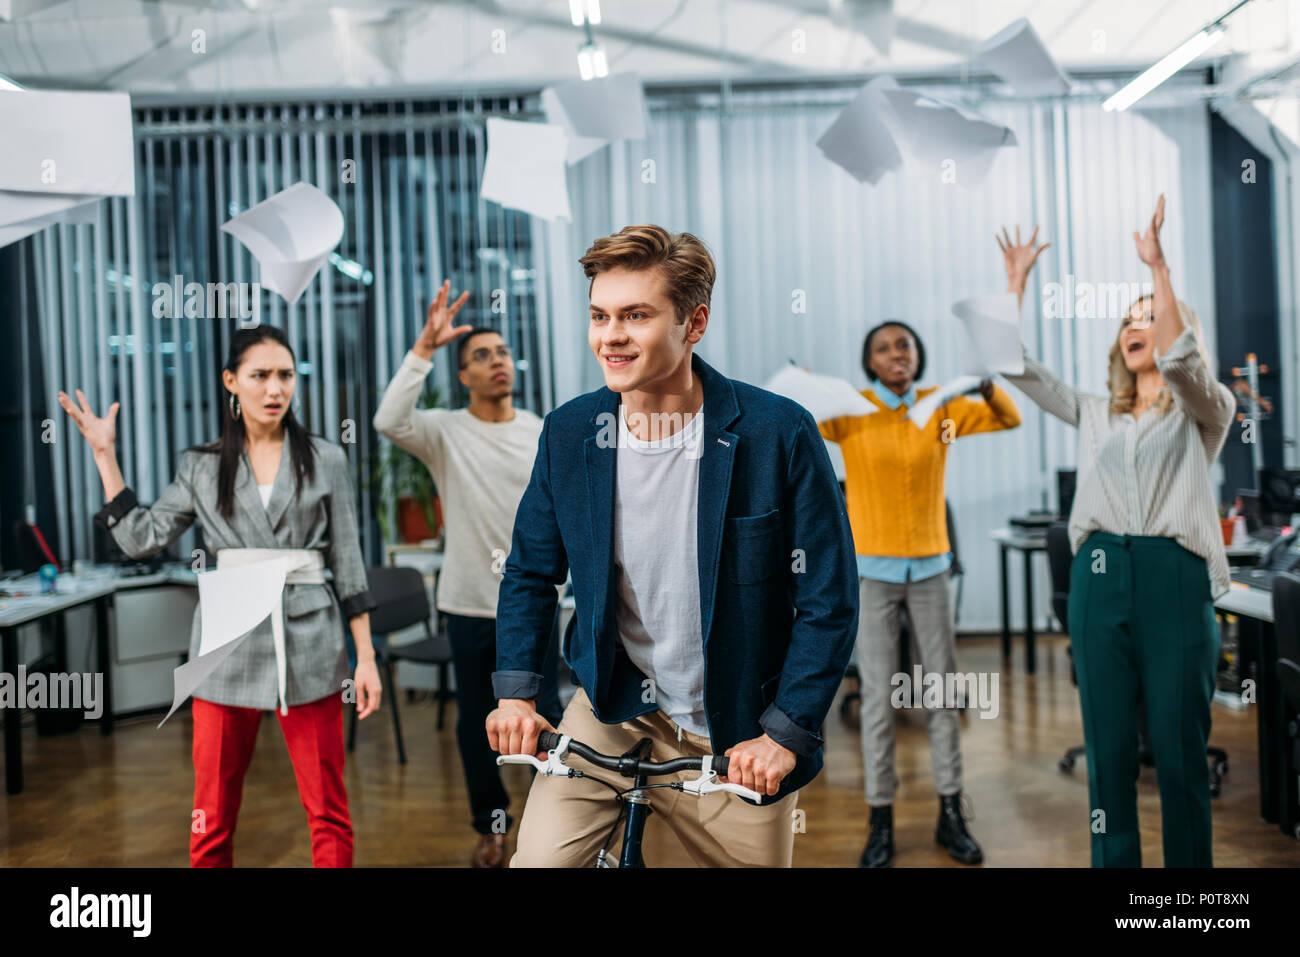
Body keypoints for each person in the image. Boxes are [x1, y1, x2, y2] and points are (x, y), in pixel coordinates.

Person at [486, 224, 859, 867]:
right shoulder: (572, 431)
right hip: (611, 709)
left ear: (694, 323)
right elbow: (529, 571)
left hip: (735, 726)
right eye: (601, 315)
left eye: (636, 315)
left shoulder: (778, 433)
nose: (612, 335)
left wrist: (786, 733)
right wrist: (517, 692)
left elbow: (828, 601)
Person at [59, 324, 382, 867]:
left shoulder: (326, 458)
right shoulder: (202, 465)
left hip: (309, 637)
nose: (275, 388)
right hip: (226, 641)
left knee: (327, 808)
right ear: (231, 381)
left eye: (286, 375)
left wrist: (366, 657)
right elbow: (140, 537)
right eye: (260, 376)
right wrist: (104, 456)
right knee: (211, 811)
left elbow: (348, 563)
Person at [1001, 198, 1234, 867]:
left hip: (1175, 578)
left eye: (1149, 319)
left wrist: (1157, 267)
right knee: (1107, 752)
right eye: (1128, 321)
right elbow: (1017, 367)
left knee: (1181, 748)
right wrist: (1015, 287)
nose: (1137, 327)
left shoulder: (1206, 410)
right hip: (1098, 581)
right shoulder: (1094, 410)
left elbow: (1187, 360)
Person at [817, 301, 1024, 867]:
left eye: (904, 346)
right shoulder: (852, 412)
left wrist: (983, 383)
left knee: (940, 695)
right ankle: (879, 817)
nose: (896, 355)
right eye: (884, 348)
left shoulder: (940, 409)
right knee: (880, 700)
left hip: (931, 568)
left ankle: (951, 813)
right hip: (873, 574)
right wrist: (809, 391)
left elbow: (1008, 417)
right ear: (870, 361)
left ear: (917, 356)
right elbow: (803, 429)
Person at [373, 280, 562, 868]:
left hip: (532, 607)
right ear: (463, 376)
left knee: (543, 720)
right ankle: (493, 827)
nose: (497, 362)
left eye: (502, 352)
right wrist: (424, 348)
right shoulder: (444, 432)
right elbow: (386, 419)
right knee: (480, 727)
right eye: (482, 356)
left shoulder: (540, 430)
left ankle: (552, 826)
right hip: (466, 604)